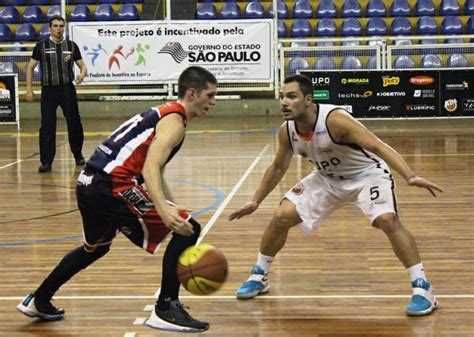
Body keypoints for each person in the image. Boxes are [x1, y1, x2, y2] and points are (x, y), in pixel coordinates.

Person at [17, 66, 218, 333]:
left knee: (96, 247)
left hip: (89, 182)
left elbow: (156, 168)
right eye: (211, 95)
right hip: (114, 185)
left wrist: (170, 203)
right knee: (188, 228)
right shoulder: (175, 121)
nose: (213, 102)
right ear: (192, 94)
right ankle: (166, 307)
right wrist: (164, 209)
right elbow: (149, 169)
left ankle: (39, 299)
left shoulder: (163, 112)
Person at [229, 74, 443, 316]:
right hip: (327, 178)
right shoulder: (287, 131)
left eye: (291, 96)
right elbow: (278, 167)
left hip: (366, 174)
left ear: (308, 99)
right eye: (281, 97)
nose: (284, 103)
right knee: (281, 216)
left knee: (387, 220)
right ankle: (260, 274)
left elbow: (377, 146)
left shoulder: (335, 120)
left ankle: (423, 288)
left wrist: (409, 175)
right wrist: (255, 200)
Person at [25, 16, 88, 173]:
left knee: (74, 123)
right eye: (55, 26)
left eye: (61, 26)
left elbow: (82, 65)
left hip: (67, 89)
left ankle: (78, 154)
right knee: (47, 126)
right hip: (48, 90)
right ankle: (46, 162)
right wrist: (29, 89)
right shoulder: (41, 46)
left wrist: (82, 73)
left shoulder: (71, 46)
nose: (58, 29)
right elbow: (30, 67)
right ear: (49, 28)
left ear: (64, 28)